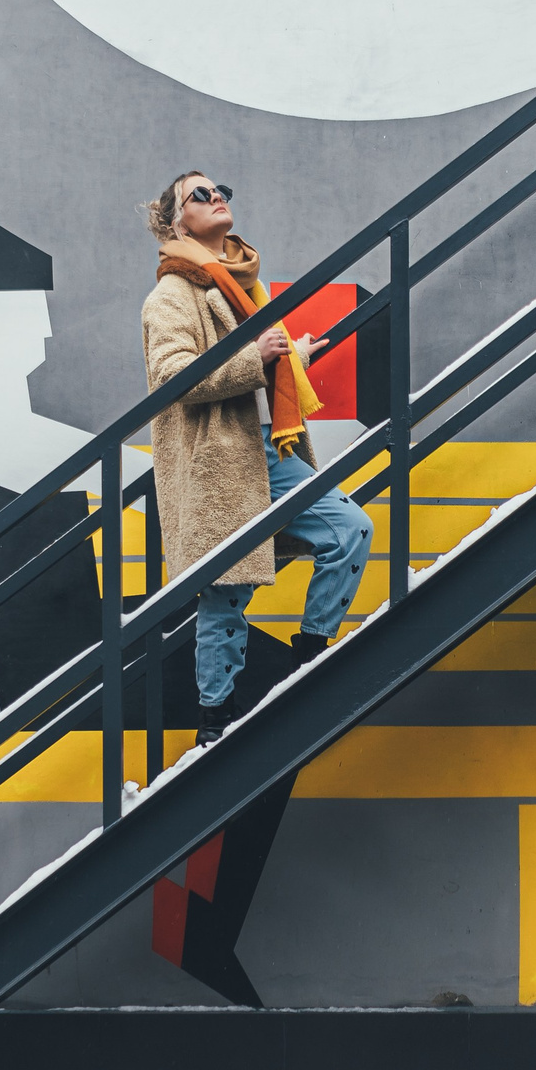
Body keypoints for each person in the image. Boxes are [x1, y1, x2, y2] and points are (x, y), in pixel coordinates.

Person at [141, 170, 374, 744]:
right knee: (227, 592)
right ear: (175, 220)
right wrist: (256, 358)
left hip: (269, 449)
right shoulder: (172, 293)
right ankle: (214, 722)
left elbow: (253, 359)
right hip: (219, 462)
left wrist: (288, 357)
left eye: (221, 189)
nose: (216, 196)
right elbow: (170, 377)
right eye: (200, 194)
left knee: (350, 528)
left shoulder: (243, 282)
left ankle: (311, 652)